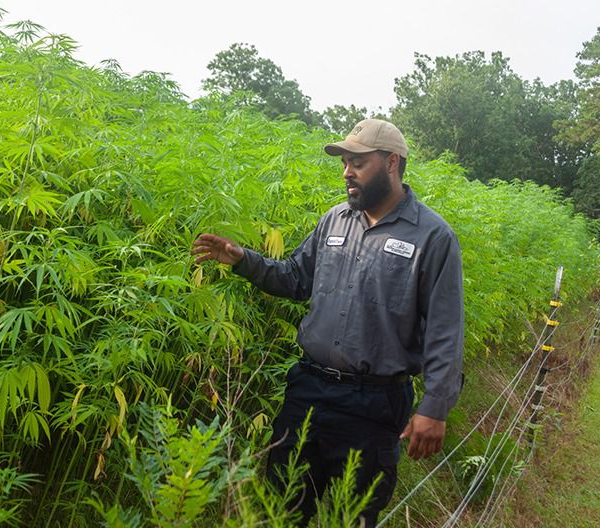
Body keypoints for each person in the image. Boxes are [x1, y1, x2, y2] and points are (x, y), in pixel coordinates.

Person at [192, 119, 464, 527]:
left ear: (391, 163)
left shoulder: (432, 237)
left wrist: (435, 406)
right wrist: (243, 260)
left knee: (351, 516)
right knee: (282, 509)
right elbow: (295, 278)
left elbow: (445, 330)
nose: (346, 172)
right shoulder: (335, 220)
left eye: (358, 162)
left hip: (373, 406)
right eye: (345, 162)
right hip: (307, 392)